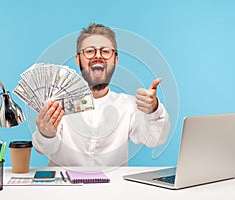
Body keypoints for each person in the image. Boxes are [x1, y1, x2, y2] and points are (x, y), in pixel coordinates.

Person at [32, 23, 170, 166]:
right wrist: (45, 134)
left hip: (113, 187)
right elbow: (43, 149)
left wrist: (154, 109)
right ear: (78, 59)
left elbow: (155, 139)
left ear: (115, 60)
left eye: (105, 51)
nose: (98, 56)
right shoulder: (57, 104)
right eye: (90, 51)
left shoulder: (128, 106)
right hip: (66, 186)